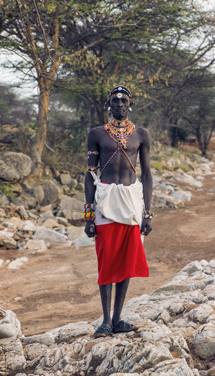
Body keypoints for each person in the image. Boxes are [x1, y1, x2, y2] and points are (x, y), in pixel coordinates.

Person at [84, 85, 153, 338]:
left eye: (124, 100)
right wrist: (89, 215)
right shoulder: (96, 134)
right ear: (109, 104)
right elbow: (90, 175)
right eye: (115, 100)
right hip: (106, 199)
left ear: (130, 104)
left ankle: (117, 319)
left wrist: (148, 213)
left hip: (132, 201)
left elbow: (146, 175)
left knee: (126, 259)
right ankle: (104, 321)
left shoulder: (142, 135)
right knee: (106, 259)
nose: (119, 104)